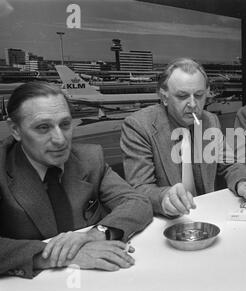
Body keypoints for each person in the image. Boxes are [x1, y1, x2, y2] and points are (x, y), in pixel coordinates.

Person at [0, 82, 152, 279]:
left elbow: (137, 203)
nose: (60, 140)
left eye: (65, 124)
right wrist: (56, 256)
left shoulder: (89, 158)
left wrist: (93, 235)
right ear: (15, 130)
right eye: (43, 127)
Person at [120, 58, 246, 218]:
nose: (193, 104)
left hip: (207, 213)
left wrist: (241, 182)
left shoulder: (210, 121)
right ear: (164, 97)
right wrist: (165, 197)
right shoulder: (139, 126)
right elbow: (140, 188)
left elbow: (229, 164)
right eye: (182, 96)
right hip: (166, 220)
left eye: (199, 95)